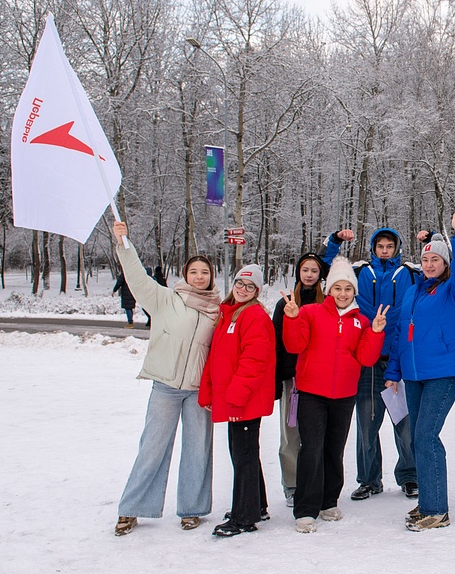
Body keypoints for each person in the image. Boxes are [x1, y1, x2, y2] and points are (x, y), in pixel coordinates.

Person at [111, 222, 221, 536]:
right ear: (185, 275)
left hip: (198, 391)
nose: (200, 277)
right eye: (195, 271)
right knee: (152, 448)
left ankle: (192, 509)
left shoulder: (216, 309)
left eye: (205, 272)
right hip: (166, 387)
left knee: (198, 449)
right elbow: (135, 277)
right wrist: (123, 243)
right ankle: (131, 510)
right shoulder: (165, 299)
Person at [385, 203, 455, 531]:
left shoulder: (453, 291)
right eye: (424, 259)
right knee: (416, 439)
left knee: (425, 435)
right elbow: (399, 334)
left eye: (435, 259)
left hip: (441, 375)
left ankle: (437, 509)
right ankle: (426, 502)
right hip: (413, 377)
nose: (428, 264)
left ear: (444, 263)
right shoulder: (411, 292)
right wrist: (393, 373)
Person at [282, 258, 387, 533]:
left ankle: (329, 501)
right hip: (312, 393)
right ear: (329, 290)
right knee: (312, 448)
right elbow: (295, 344)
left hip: (343, 395)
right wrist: (292, 318)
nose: (342, 294)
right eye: (337, 288)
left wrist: (375, 333)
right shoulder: (311, 313)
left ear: (354, 292)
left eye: (347, 289)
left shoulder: (361, 321)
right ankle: (305, 508)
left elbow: (365, 358)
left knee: (333, 449)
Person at [322, 227, 419, 501]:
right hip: (367, 359)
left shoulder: (410, 273)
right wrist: (335, 241)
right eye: (380, 246)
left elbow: (439, 269)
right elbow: (327, 270)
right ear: (373, 249)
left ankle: (410, 475)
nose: (385, 250)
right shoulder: (360, 271)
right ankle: (369, 479)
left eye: (390, 246)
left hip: (398, 359)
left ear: (397, 248)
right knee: (367, 423)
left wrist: (431, 238)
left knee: (405, 423)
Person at [199, 264, 276, 537]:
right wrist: (210, 392)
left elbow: (254, 362)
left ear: (257, 291)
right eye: (240, 284)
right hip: (236, 398)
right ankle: (257, 505)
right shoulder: (229, 313)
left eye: (250, 287)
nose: (243, 290)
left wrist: (235, 399)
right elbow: (216, 356)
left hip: (244, 401)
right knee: (245, 453)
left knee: (242, 456)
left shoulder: (253, 316)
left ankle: (244, 517)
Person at [271, 252, 327, 507]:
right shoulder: (286, 303)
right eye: (305, 269)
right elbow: (275, 342)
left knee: (316, 435)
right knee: (290, 434)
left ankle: (316, 481)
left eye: (314, 270)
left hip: (317, 378)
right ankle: (292, 484)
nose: (309, 274)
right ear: (298, 272)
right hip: (291, 379)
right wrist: (277, 377)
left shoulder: (326, 303)